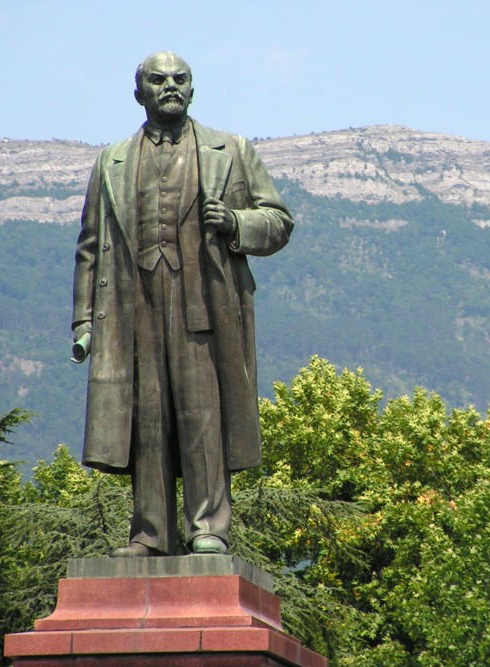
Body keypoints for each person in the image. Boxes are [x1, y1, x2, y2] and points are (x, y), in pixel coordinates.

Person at [71, 51, 293, 557]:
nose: (170, 85)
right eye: (158, 79)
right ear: (139, 93)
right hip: (134, 309)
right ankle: (150, 534)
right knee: (147, 420)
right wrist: (84, 319)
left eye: (180, 78)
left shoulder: (231, 150)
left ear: (192, 89)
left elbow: (279, 222)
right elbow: (90, 246)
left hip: (205, 309)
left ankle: (207, 526)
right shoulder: (111, 161)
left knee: (202, 418)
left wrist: (235, 222)